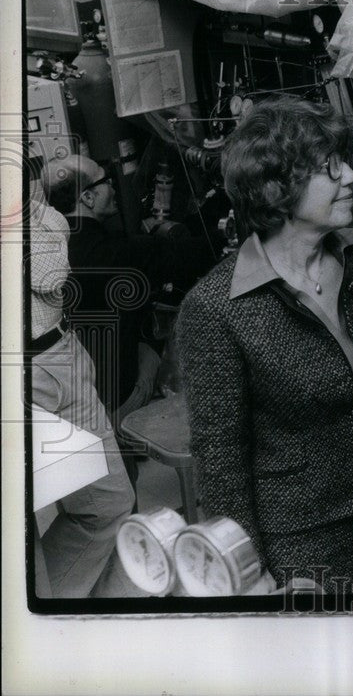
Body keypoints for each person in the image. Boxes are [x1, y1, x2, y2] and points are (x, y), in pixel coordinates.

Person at [176, 96, 353, 593]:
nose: (352, 179)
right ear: (275, 189)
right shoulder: (214, 309)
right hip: (303, 536)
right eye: (329, 170)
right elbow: (221, 456)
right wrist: (249, 568)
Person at [41, 154, 215, 452]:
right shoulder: (118, 254)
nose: (112, 186)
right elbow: (198, 254)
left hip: (78, 394)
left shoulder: (51, 249)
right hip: (118, 395)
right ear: (87, 197)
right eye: (104, 181)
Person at [27, 179, 136, 598]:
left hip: (61, 349)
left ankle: (53, 614)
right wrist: (35, 213)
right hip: (22, 371)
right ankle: (41, 631)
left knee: (107, 504)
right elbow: (50, 274)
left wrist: (33, 212)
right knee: (18, 533)